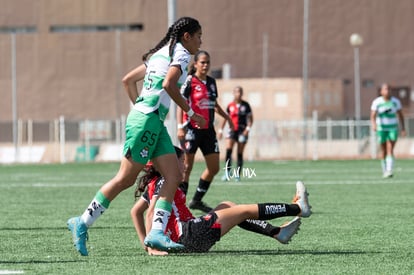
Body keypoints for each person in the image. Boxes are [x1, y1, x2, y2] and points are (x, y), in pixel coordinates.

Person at [67, 17, 206, 256]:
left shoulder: (160, 53)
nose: (200, 42)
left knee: (174, 175)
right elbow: (169, 83)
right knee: (125, 179)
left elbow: (127, 81)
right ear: (187, 37)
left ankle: (157, 233)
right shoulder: (182, 54)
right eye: (198, 36)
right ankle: (82, 222)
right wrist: (191, 113)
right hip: (147, 121)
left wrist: (140, 107)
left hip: (151, 121)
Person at [131, 146, 311, 255]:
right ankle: (297, 208)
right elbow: (150, 213)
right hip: (189, 235)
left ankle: (278, 233)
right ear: (169, 163)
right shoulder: (165, 180)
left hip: (189, 236)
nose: (185, 165)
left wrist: (145, 243)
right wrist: (151, 247)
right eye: (182, 161)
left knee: (228, 205)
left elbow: (135, 212)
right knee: (244, 211)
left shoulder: (157, 181)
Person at [177, 50, 234, 213]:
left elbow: (214, 104)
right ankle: (180, 206)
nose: (205, 65)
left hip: (208, 131)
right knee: (186, 168)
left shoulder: (211, 82)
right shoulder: (189, 81)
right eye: (202, 62)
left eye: (208, 62)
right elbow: (180, 103)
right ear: (195, 64)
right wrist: (180, 127)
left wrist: (228, 117)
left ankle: (196, 200)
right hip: (192, 129)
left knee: (214, 168)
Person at [370, 83, 406, 178]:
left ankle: (389, 170)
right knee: (383, 150)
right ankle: (384, 170)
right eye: (385, 89)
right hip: (381, 128)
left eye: (389, 89)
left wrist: (403, 128)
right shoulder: (377, 102)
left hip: (392, 128)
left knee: (390, 147)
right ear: (381, 91)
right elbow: (373, 115)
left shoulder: (395, 102)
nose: (388, 91)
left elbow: (400, 115)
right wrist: (374, 124)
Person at [218, 86, 253, 181]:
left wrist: (247, 129)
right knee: (228, 151)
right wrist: (220, 130)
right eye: (236, 92)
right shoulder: (230, 105)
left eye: (240, 92)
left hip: (242, 131)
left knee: (239, 153)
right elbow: (225, 118)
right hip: (232, 131)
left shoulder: (246, 105)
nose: (238, 94)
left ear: (242, 93)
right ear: (233, 93)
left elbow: (250, 119)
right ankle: (227, 173)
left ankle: (237, 174)